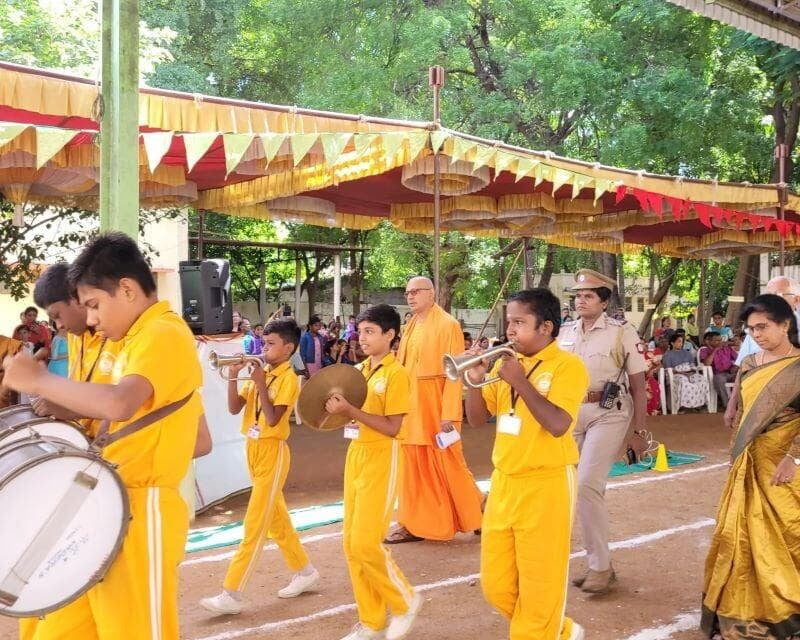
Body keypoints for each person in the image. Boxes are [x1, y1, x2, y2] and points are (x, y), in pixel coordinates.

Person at [3, 232, 204, 640]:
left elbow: (118, 404)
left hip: (142, 503)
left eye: (94, 305)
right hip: (102, 497)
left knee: (132, 631)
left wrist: (40, 381)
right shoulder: (129, 339)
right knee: (55, 630)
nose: (90, 319)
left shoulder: (163, 332)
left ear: (127, 289)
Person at [465, 288, 589, 640]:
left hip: (546, 483)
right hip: (505, 482)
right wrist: (474, 381)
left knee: (540, 587)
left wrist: (520, 381)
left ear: (546, 327)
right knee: (496, 586)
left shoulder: (568, 367)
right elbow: (475, 419)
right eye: (509, 323)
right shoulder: (507, 365)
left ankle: (545, 631)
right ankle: (561, 631)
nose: (510, 331)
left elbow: (558, 424)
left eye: (519, 323)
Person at [200, 318, 320, 616]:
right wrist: (233, 376)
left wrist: (261, 385)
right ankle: (305, 571)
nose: (263, 349)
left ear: (288, 348)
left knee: (255, 524)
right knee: (277, 520)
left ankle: (232, 591)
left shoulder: (288, 379)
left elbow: (273, 418)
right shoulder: (262, 372)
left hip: (273, 452)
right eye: (263, 343)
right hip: (252, 449)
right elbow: (233, 408)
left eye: (270, 344)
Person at [701, 294, 800, 640]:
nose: (756, 335)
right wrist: (731, 412)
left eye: (763, 327)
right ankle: (742, 612)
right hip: (747, 463)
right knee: (739, 535)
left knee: (786, 532)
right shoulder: (750, 363)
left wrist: (793, 458)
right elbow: (742, 408)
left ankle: (786, 608)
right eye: (751, 329)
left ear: (785, 324)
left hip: (784, 463)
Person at [324, 305, 421, 640]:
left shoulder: (397, 374)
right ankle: (371, 621)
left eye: (370, 332)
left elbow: (393, 427)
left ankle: (405, 600)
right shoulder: (359, 371)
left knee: (366, 542)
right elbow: (350, 417)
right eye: (360, 331)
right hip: (358, 454)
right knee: (351, 543)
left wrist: (350, 409)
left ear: (390, 335)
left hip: (384, 456)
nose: (361, 338)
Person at [557, 269, 647, 595]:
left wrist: (639, 431)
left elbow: (639, 385)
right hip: (569, 414)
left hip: (608, 413)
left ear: (604, 301)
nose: (581, 300)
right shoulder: (564, 332)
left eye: (589, 295)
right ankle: (595, 562)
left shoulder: (622, 332)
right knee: (570, 487)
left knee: (586, 484)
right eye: (578, 296)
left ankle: (600, 566)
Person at [386, 276, 483, 543]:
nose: (410, 296)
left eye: (416, 291)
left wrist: (449, 414)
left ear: (432, 293)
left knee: (447, 462)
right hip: (410, 405)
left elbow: (454, 371)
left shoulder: (448, 324)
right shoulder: (410, 324)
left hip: (436, 405)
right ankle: (412, 523)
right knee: (412, 465)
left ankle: (475, 511)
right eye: (407, 292)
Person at [662, 334, 708, 412]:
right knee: (683, 382)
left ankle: (700, 404)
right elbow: (668, 369)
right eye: (678, 342)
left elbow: (692, 365)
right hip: (675, 375)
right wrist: (682, 372)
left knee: (701, 379)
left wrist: (691, 371)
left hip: (690, 372)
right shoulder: (668, 355)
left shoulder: (687, 353)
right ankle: (682, 406)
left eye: (682, 342)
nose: (681, 344)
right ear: (672, 343)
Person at [699, 331, 737, 409]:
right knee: (719, 379)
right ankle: (727, 405)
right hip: (717, 374)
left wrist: (735, 367)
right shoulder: (704, 350)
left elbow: (739, 359)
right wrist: (715, 350)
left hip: (730, 373)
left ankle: (740, 403)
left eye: (720, 340)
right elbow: (706, 363)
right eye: (717, 340)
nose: (720, 342)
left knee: (745, 376)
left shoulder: (727, 349)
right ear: (709, 341)